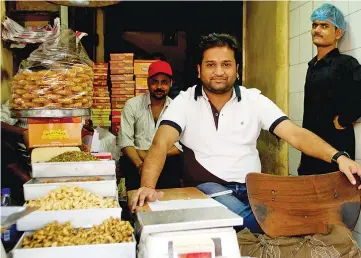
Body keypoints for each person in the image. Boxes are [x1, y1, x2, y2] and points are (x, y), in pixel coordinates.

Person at [129, 33, 361, 233]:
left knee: (278, 202)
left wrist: (339, 158)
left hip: (254, 189)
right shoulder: (185, 101)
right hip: (209, 189)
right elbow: (161, 143)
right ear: (199, 70)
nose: (219, 71)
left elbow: (295, 134)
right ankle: (301, 222)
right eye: (211, 65)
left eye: (226, 64)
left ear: (237, 70)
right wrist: (148, 186)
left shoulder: (254, 99)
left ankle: (297, 220)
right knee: (253, 217)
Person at [298, 3, 361, 176]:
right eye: (314, 25)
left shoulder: (346, 63)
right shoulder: (312, 66)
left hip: (337, 149)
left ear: (338, 32)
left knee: (334, 198)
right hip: (310, 148)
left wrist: (344, 120)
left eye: (324, 26)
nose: (317, 29)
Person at [118, 60, 182, 191]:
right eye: (155, 82)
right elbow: (125, 141)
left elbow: (180, 146)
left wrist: (153, 157)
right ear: (147, 82)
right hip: (137, 163)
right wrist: (140, 164)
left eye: (164, 82)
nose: (159, 87)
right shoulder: (132, 105)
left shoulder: (178, 108)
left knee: (167, 203)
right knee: (138, 204)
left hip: (167, 163)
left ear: (170, 83)